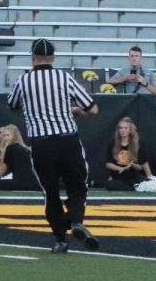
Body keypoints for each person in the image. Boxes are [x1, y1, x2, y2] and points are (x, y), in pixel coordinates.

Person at [7, 38, 100, 253]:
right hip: (68, 139)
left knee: (50, 193)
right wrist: (75, 112)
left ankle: (60, 239)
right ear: (53, 58)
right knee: (78, 187)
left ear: (32, 58)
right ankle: (76, 221)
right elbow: (93, 108)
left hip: (41, 143)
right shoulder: (63, 77)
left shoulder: (24, 81)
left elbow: (12, 104)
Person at [103, 117, 153, 191]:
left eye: (126, 128)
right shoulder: (112, 144)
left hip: (133, 177)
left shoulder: (138, 144)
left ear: (130, 130)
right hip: (118, 178)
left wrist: (150, 177)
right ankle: (134, 188)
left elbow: (142, 165)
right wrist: (120, 168)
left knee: (155, 185)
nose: (123, 130)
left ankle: (136, 186)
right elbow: (108, 163)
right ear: (118, 130)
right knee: (109, 184)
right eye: (121, 128)